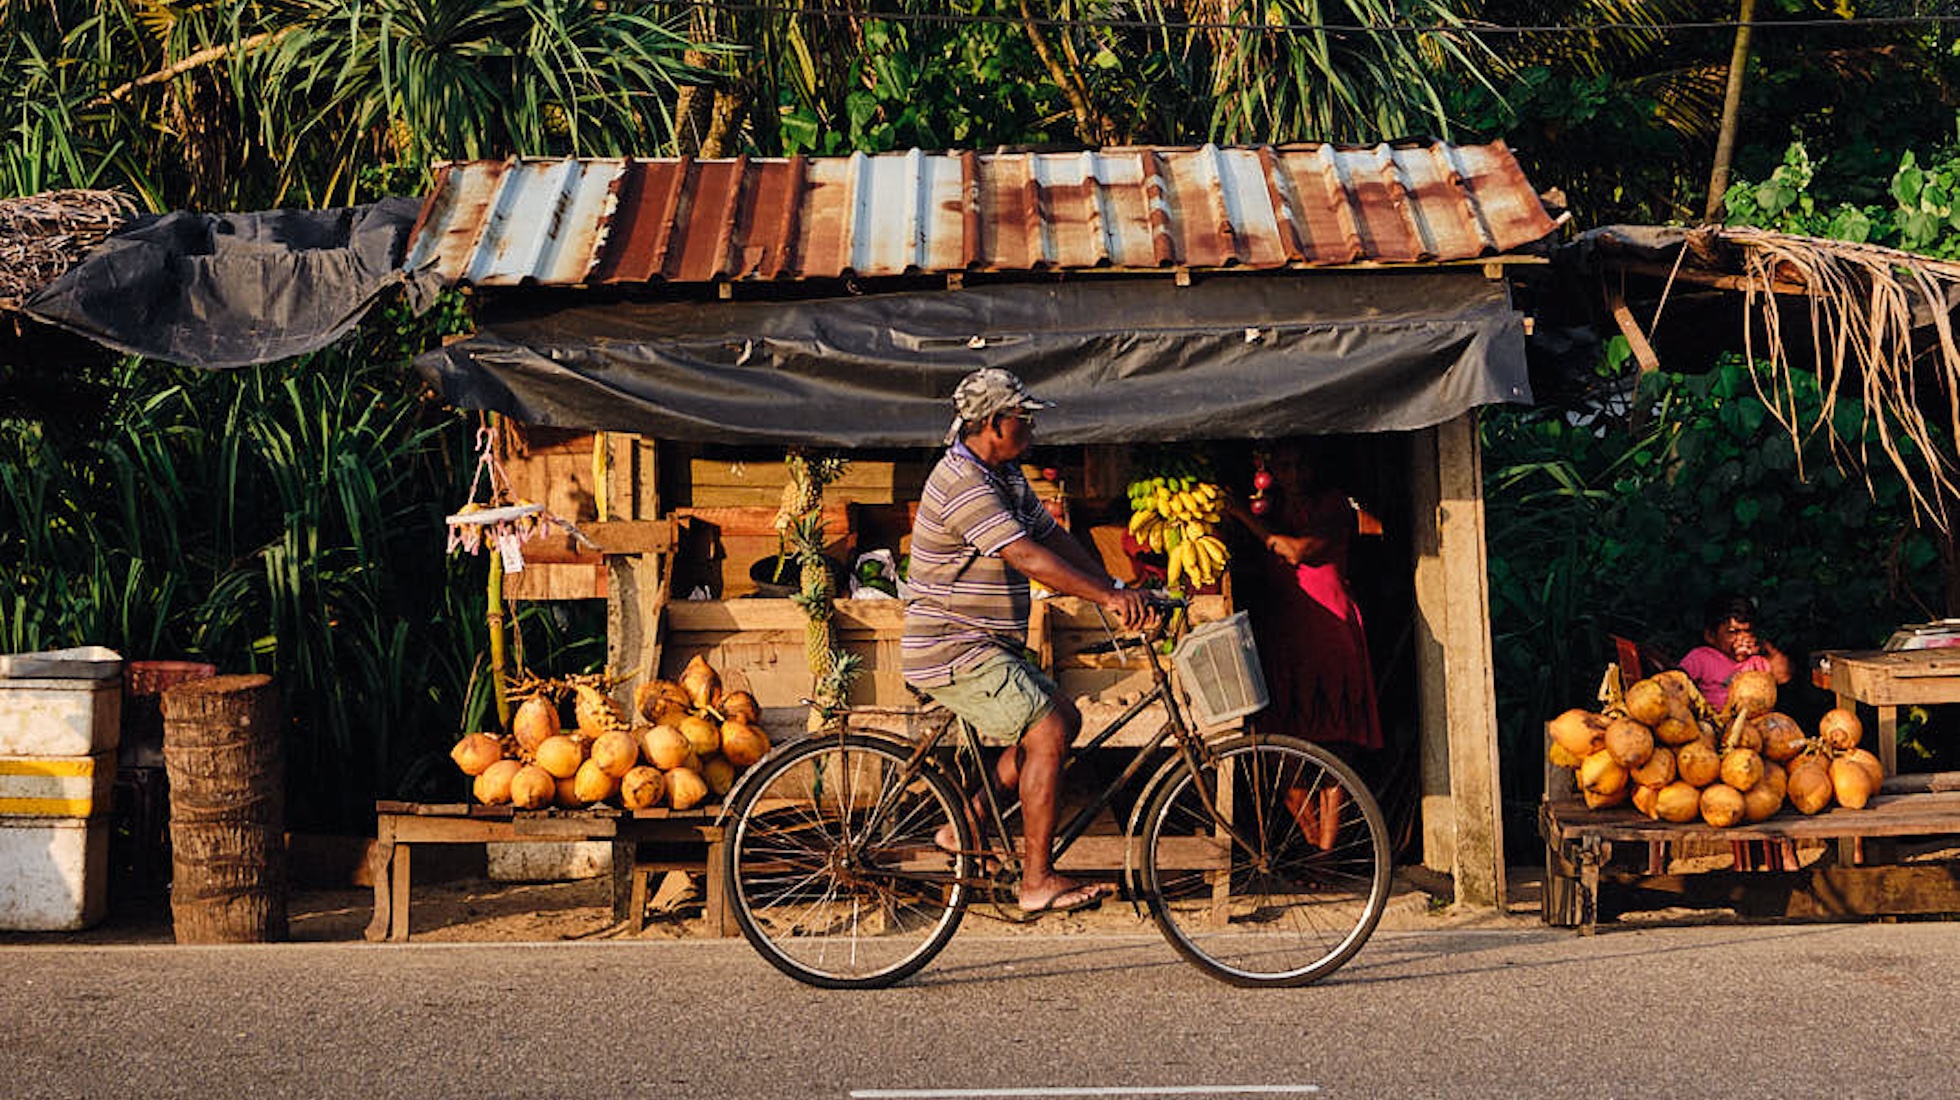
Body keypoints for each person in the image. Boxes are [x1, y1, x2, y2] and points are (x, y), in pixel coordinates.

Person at [902, 368, 1154, 916]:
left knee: (1064, 717)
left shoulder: (1004, 474)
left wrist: (1112, 586)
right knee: (1046, 730)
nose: (1033, 428)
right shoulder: (961, 481)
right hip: (954, 646)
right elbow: (1026, 556)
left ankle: (965, 824)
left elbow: (1050, 536)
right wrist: (1109, 602)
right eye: (1025, 418)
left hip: (986, 643)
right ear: (995, 423)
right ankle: (1036, 879)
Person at [1678, 593, 1794, 710]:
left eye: (1747, 631)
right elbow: (1676, 682)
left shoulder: (1758, 661)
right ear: (1710, 636)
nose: (1742, 638)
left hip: (1754, 724)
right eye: (1733, 632)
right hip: (1712, 723)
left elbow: (1784, 677)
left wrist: (1764, 648)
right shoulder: (1701, 658)